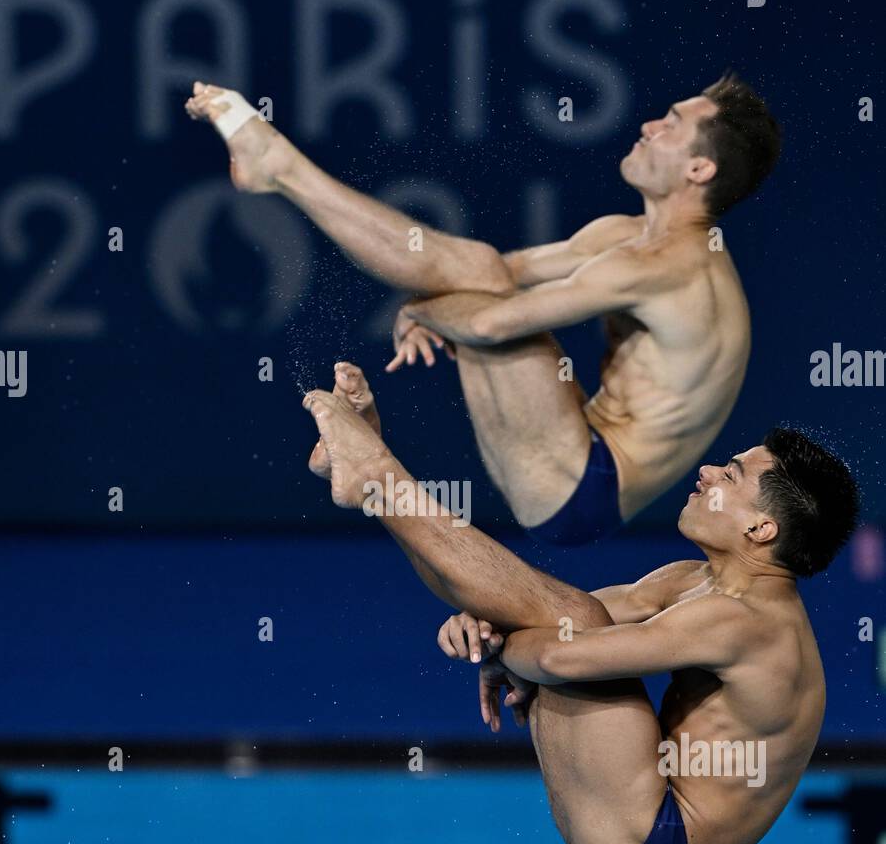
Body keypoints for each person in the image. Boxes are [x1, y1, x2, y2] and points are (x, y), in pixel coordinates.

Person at [301, 365, 857, 844]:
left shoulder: (748, 622)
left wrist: (504, 644)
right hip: (636, 819)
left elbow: (555, 653)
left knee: (571, 617)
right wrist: (493, 624)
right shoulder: (692, 579)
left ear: (761, 530)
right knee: (554, 610)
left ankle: (376, 471)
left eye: (731, 476)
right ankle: (371, 477)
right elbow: (523, 614)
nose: (709, 470)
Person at [185, 74, 781, 543]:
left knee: (476, 283)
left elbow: (494, 321)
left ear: (699, 169)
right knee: (479, 271)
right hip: (579, 443)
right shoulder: (626, 235)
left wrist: (424, 309)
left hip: (580, 490)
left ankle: (281, 167)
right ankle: (278, 167)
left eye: (672, 124)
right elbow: (505, 271)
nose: (650, 124)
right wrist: (436, 299)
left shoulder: (671, 266)